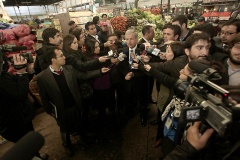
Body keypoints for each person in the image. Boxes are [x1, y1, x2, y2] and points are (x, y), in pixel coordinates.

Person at [37, 46, 109, 157]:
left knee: (79, 124)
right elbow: (44, 96)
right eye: (61, 55)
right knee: (64, 128)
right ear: (53, 59)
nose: (64, 57)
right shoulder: (43, 77)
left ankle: (84, 140)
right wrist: (49, 110)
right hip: (61, 109)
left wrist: (99, 71)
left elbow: (84, 75)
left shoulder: (69, 69)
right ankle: (67, 145)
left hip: (75, 105)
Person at [0, 54, 48, 160]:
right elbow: (20, 93)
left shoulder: (3, 76)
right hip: (13, 123)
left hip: (20, 118)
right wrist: (21, 73)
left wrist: (28, 72)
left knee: (30, 142)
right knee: (27, 143)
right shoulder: (1, 80)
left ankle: (36, 155)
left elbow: (18, 84)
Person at [117, 29, 149, 127]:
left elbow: (146, 70)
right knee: (128, 99)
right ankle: (128, 114)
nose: (129, 41)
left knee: (142, 101)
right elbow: (120, 67)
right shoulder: (122, 52)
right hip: (127, 82)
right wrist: (125, 74)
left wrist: (134, 75)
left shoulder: (142, 53)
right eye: (126, 39)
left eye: (131, 39)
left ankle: (143, 116)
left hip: (140, 82)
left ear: (136, 39)